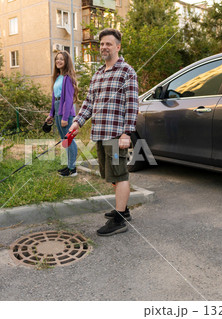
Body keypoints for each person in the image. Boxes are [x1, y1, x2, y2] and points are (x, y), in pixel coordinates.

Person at [68, 28, 139, 236]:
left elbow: (132, 104)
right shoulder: (98, 73)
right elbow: (89, 103)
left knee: (120, 173)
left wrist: (127, 133)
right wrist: (77, 123)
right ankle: (123, 211)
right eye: (101, 44)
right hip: (100, 132)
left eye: (108, 44)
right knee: (111, 175)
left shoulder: (127, 71)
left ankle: (119, 221)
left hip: (116, 134)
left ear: (118, 47)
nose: (104, 47)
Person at [46, 50, 79, 177]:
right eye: (57, 59)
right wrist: (51, 114)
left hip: (66, 111)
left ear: (66, 62)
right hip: (58, 107)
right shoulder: (58, 78)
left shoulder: (68, 78)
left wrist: (65, 117)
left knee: (69, 140)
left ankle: (72, 169)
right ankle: (69, 166)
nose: (58, 61)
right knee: (64, 140)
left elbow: (69, 99)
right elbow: (55, 98)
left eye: (61, 59)